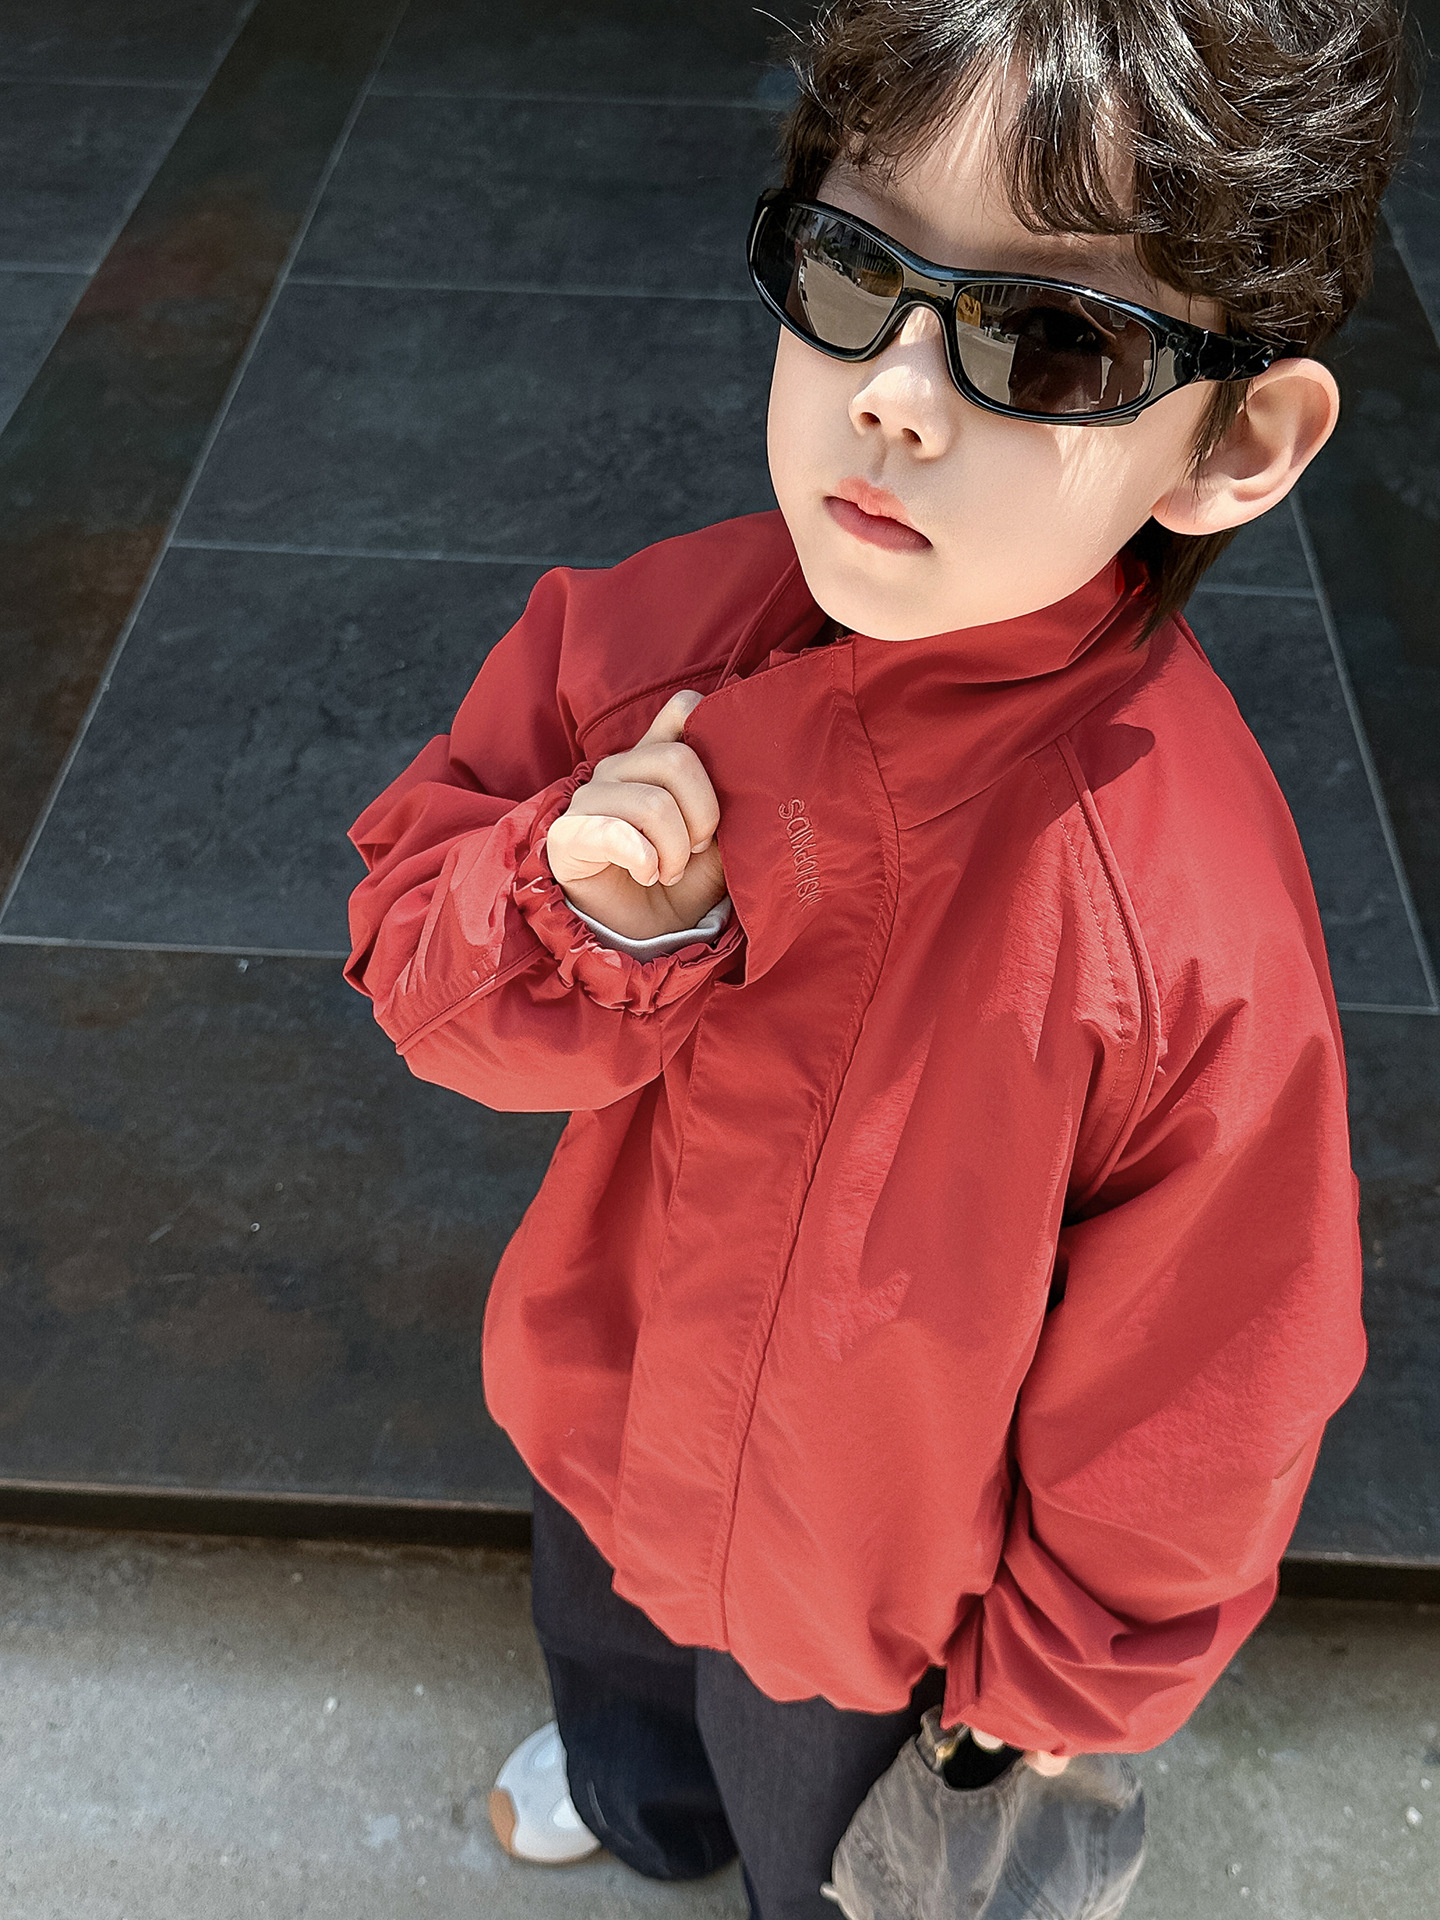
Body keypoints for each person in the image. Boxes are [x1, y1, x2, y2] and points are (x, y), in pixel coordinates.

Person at [345, 1, 1419, 1914]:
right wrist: (581, 915)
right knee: (612, 1652)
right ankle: (640, 1795)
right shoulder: (653, 648)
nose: (898, 395)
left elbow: (1209, 1384)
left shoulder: (1177, 920)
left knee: (826, 1847)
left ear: (1236, 437)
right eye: (856, 270)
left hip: (868, 1576)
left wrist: (1060, 1684)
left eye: (1050, 337)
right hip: (610, 1398)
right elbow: (426, 981)